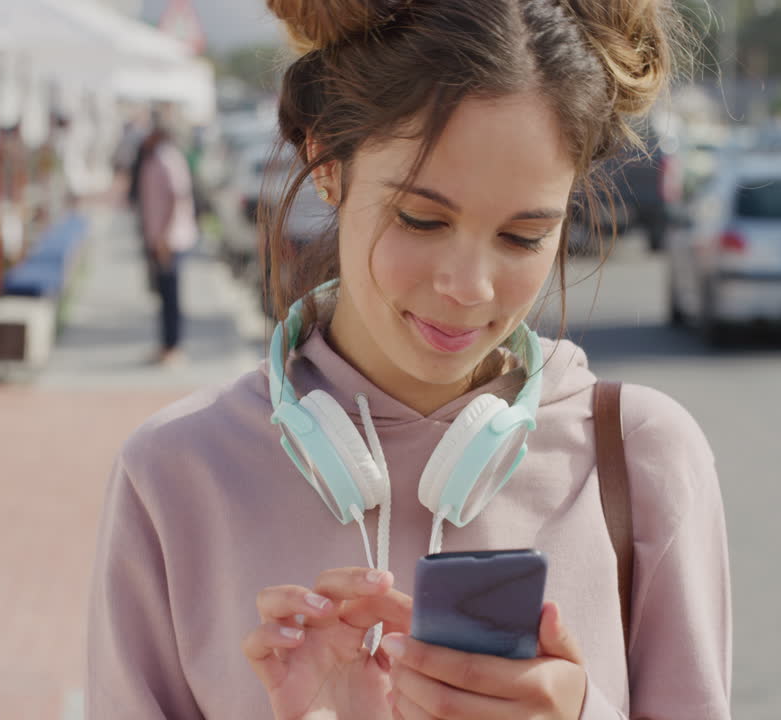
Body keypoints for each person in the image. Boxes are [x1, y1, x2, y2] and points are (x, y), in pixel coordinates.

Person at [86, 0, 730, 718]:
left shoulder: (640, 459)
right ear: (326, 162)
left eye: (523, 237)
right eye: (422, 220)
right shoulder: (176, 477)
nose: (469, 286)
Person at [136, 121, 198, 366]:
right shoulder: (159, 158)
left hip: (169, 239)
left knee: (170, 294)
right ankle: (166, 344)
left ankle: (173, 346)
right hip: (161, 237)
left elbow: (175, 197)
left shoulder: (166, 158)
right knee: (163, 293)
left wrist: (163, 236)